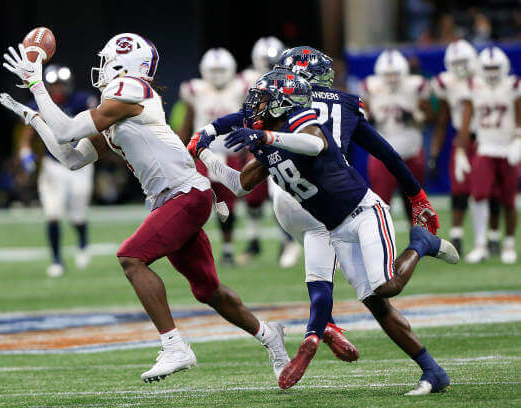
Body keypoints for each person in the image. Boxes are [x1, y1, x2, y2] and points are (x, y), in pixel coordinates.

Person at [0, 33, 289, 383]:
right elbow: (70, 157)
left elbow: (68, 130)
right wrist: (34, 118)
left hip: (184, 193)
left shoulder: (132, 91)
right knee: (209, 291)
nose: (102, 68)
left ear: (125, 65)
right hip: (175, 198)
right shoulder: (118, 111)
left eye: (107, 61)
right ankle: (270, 335)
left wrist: (36, 85)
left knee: (131, 257)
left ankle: (174, 346)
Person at [191, 69, 458, 395]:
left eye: (261, 100)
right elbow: (239, 184)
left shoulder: (302, 120)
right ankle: (433, 371)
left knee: (386, 285)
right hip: (336, 229)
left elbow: (314, 145)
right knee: (376, 304)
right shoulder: (266, 141)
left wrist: (266, 138)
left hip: (364, 213)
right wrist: (204, 152)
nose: (253, 105)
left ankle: (421, 242)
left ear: (280, 103)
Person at [18, 65, 98, 277]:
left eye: (60, 84)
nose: (57, 89)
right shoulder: (39, 104)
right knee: (52, 214)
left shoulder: (81, 101)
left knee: (77, 215)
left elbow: (96, 127)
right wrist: (25, 151)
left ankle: (82, 244)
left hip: (80, 163)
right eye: (53, 85)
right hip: (53, 165)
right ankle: (56, 260)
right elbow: (28, 132)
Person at [430, 39, 500, 256]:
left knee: (492, 189)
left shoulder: (486, 77)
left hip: (488, 138)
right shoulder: (445, 83)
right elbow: (442, 120)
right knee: (459, 189)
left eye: (464, 61)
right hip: (462, 141)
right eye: (456, 62)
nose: (460, 66)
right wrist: (434, 154)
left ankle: (494, 237)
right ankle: (458, 235)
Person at [178, 48, 246, 266]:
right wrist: (179, 151)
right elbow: (187, 122)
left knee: (227, 205)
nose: (217, 74)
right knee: (196, 201)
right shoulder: (195, 90)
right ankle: (189, 247)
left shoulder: (241, 87)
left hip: (230, 154)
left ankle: (227, 249)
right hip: (202, 155)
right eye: (213, 70)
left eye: (221, 70)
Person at [237, 37, 301, 266]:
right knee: (250, 194)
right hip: (257, 142)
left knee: (280, 193)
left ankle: (289, 241)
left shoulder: (291, 78)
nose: (269, 65)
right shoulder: (243, 80)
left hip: (281, 141)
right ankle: (254, 240)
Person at [457, 46, 520, 264]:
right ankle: (481, 244)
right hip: (485, 147)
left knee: (509, 200)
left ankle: (509, 243)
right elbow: (466, 122)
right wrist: (460, 150)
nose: (492, 72)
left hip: (508, 148)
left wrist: (519, 139)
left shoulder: (513, 85)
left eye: (495, 67)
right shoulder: (473, 86)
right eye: (488, 68)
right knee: (479, 196)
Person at [361, 50, 431, 222]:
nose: (392, 78)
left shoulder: (415, 86)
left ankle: (419, 245)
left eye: (395, 74)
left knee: (415, 205)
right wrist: (369, 119)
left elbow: (430, 116)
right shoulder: (370, 86)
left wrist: (415, 116)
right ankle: (385, 246)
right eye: (388, 74)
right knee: (381, 204)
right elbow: (363, 117)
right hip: (382, 153)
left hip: (411, 151)